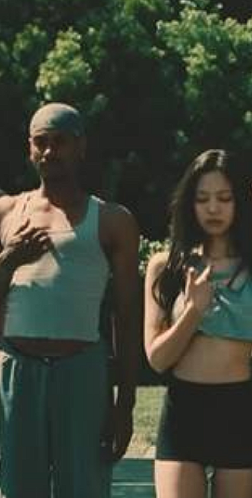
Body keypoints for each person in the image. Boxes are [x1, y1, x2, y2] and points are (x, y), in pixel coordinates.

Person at [0, 102, 140, 497]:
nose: (49, 151)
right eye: (41, 142)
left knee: (84, 488)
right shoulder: (8, 212)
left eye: (60, 142)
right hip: (18, 372)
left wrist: (125, 404)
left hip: (82, 372)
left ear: (81, 147)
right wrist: (9, 259)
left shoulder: (112, 220)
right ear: (29, 148)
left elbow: (127, 317)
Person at [144, 149, 252, 498]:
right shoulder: (166, 266)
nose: (213, 209)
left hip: (238, 409)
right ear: (189, 204)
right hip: (183, 410)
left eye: (224, 198)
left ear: (240, 202)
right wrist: (193, 312)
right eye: (202, 199)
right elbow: (157, 359)